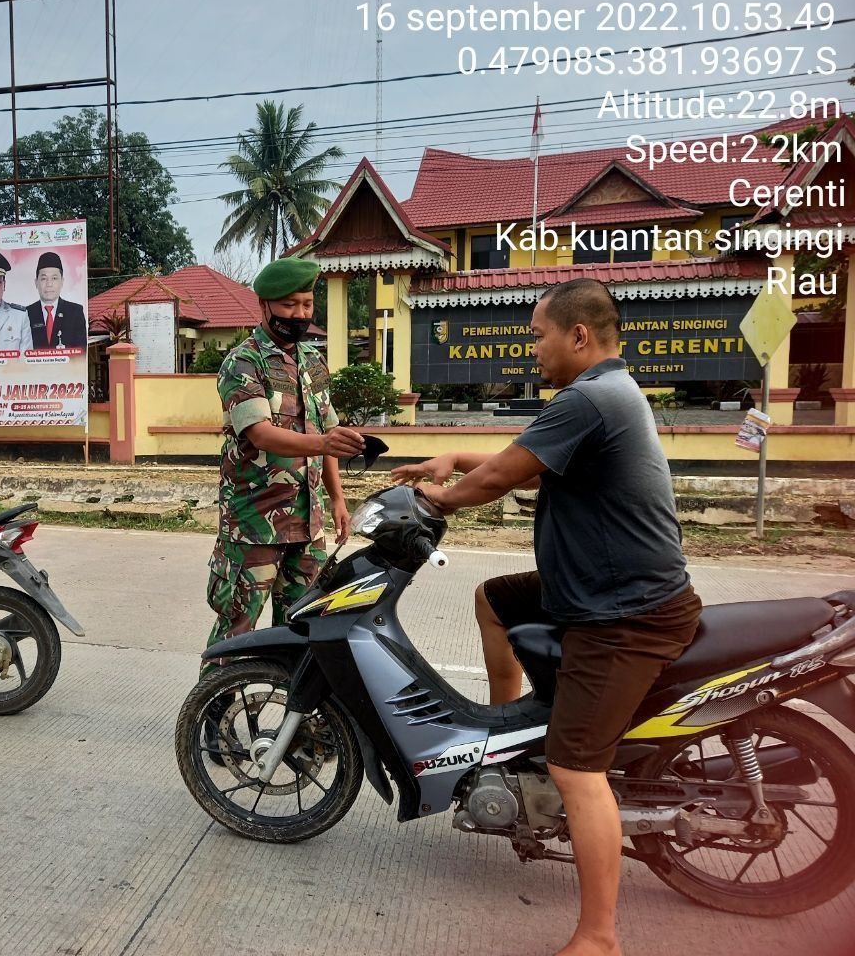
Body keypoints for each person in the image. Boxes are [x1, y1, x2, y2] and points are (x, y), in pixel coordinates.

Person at [390, 278, 701, 956]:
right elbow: (522, 463)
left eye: (538, 335)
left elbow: (500, 478)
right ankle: (506, 741)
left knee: (577, 771)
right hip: (596, 588)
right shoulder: (607, 392)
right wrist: (448, 459)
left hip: (624, 614)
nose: (534, 349)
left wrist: (435, 500)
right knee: (494, 598)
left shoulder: (589, 397)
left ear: (578, 336)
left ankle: (599, 937)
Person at [206, 256, 365, 665]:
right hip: (254, 524)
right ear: (264, 305)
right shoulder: (243, 362)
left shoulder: (313, 360)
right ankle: (210, 713)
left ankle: (295, 722)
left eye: (307, 305)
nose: (300, 314)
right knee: (238, 627)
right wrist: (326, 443)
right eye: (290, 305)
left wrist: (338, 499)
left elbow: (327, 431)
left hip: (306, 525)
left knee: (302, 630)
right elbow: (259, 432)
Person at [26, 250, 87, 349]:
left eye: (54, 278)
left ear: (62, 281)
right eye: (44, 279)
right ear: (36, 282)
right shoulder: (26, 314)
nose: (49, 284)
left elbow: (81, 352)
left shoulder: (75, 312)